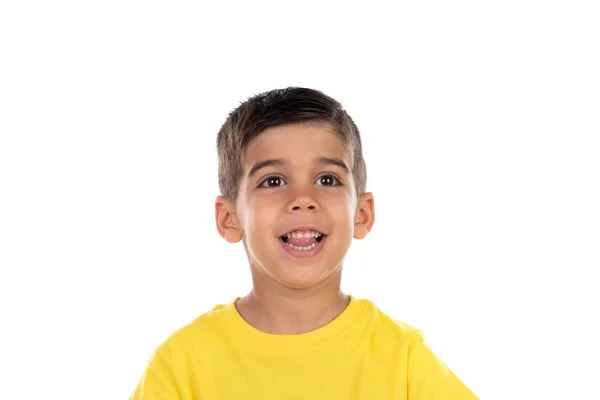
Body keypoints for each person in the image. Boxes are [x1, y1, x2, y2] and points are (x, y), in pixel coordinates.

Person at [129, 87, 478, 399]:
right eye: (273, 180)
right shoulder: (183, 364)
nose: (303, 198)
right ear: (228, 218)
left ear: (362, 213)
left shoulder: (403, 359)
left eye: (327, 179)